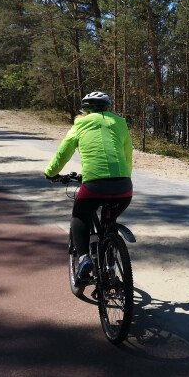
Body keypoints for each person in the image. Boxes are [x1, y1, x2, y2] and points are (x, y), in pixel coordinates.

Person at [44, 91, 133, 284]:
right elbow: (127, 154)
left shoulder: (80, 124)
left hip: (95, 185)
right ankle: (109, 262)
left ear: (85, 109)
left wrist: (51, 173)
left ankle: (84, 258)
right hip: (124, 187)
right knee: (110, 220)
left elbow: (63, 154)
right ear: (107, 107)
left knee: (80, 215)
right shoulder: (120, 123)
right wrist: (124, 177)